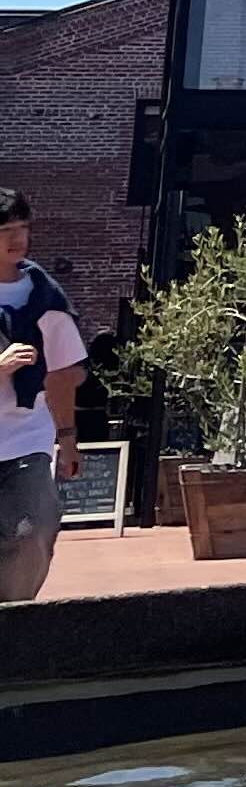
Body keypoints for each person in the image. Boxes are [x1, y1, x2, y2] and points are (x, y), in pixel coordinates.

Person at [0, 187, 86, 605]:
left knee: (33, 530)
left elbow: (62, 376)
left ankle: (14, 623)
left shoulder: (46, 299)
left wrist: (67, 437)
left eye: (22, 229)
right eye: (5, 231)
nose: (16, 240)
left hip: (26, 441)